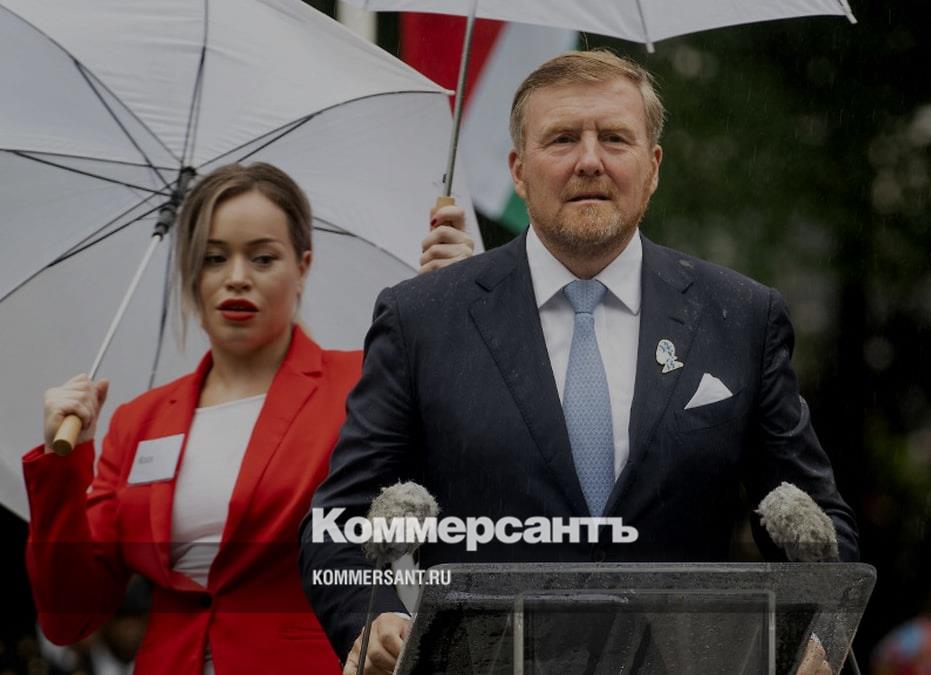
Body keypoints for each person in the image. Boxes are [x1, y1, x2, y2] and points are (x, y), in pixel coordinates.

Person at [300, 50, 858, 675]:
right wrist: (373, 619)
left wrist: (824, 634)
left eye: (614, 138)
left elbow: (815, 521)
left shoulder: (742, 318)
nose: (590, 160)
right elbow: (338, 524)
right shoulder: (422, 319)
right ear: (518, 170)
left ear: (653, 167)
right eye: (563, 138)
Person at [24, 162, 474, 675]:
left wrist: (450, 313)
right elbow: (69, 616)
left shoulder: (366, 382)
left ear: (302, 266)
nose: (236, 278)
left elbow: (462, 470)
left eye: (262, 258)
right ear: (190, 272)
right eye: (214, 258)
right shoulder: (138, 421)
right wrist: (61, 464)